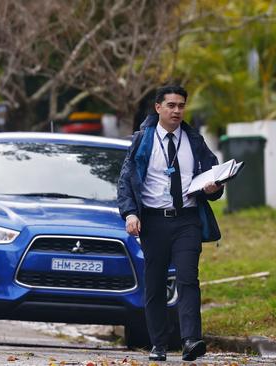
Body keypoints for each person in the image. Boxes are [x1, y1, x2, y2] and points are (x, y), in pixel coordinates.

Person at [117, 85, 223, 362]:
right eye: (171, 105)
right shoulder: (143, 140)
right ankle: (159, 344)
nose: (177, 111)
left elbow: (215, 175)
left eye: (181, 106)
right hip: (153, 221)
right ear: (158, 108)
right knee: (154, 283)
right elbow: (126, 180)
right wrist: (130, 213)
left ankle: (190, 340)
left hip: (187, 220)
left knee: (188, 278)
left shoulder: (194, 140)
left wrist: (214, 188)